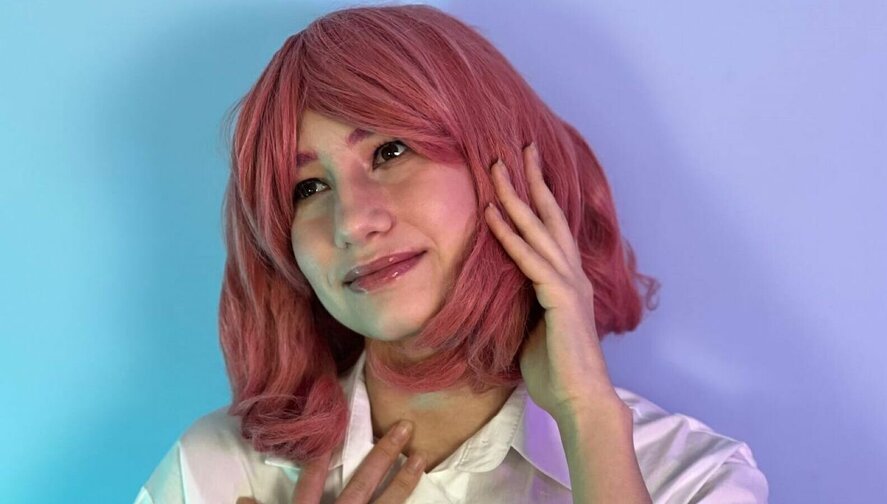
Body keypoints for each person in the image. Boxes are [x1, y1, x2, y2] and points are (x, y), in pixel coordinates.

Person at [133, 4, 769, 503]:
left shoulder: (690, 478)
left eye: (390, 152)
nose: (352, 221)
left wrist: (590, 420)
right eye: (309, 188)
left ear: (500, 163)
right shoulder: (217, 471)